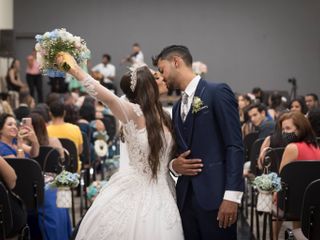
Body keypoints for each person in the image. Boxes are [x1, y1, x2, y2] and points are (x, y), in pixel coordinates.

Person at [56, 52, 183, 240]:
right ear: (148, 87)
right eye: (156, 76)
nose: (163, 77)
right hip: (138, 190)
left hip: (165, 189)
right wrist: (73, 69)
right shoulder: (133, 112)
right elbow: (106, 97)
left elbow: (169, 156)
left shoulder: (165, 115)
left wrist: (175, 165)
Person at [153, 45, 244, 240]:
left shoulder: (217, 92)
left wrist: (232, 196)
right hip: (185, 199)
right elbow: (176, 151)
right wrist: (173, 165)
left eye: (162, 69)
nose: (162, 76)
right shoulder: (176, 108)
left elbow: (234, 145)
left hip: (218, 196)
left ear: (176, 61)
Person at [273, 111, 320, 239]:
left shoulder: (292, 148)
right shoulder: (317, 147)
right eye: (282, 129)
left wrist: (273, 195)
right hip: (312, 204)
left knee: (276, 201)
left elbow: (280, 179)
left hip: (291, 204)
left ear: (301, 129)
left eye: (288, 128)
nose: (284, 133)